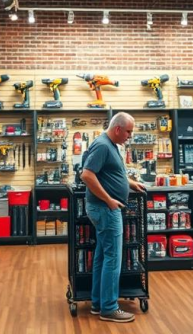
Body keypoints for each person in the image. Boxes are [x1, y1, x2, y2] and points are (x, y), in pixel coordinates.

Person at [79, 112, 146, 323]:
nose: (130, 136)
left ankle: (99, 303)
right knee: (113, 259)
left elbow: (111, 172)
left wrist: (129, 183)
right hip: (106, 210)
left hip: (104, 209)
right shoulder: (102, 145)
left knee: (102, 257)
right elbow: (86, 174)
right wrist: (109, 200)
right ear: (117, 129)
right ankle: (109, 308)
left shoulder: (110, 144)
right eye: (128, 131)